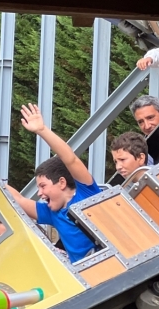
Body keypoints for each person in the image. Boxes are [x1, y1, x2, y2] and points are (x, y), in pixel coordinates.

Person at [6, 104, 100, 263]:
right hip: (82, 275)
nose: (40, 193)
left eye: (43, 186)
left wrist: (42, 130)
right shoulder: (52, 212)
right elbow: (18, 200)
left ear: (61, 182)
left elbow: (70, 159)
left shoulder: (87, 193)